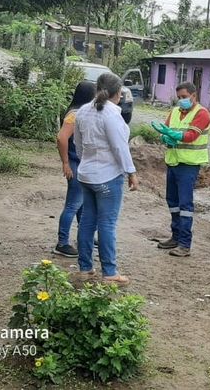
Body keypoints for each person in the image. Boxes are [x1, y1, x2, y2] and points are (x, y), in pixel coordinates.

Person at [73, 73, 139, 285]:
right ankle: (110, 272)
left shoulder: (83, 111)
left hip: (86, 175)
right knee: (107, 224)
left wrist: (86, 162)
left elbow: (78, 144)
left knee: (87, 222)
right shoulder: (111, 114)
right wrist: (131, 172)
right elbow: (120, 147)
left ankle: (85, 268)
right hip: (108, 176)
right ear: (118, 93)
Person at [151, 81, 210, 257]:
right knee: (173, 202)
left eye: (184, 97)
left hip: (189, 165)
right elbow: (165, 130)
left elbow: (191, 136)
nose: (181, 100)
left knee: (185, 205)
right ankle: (175, 237)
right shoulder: (175, 112)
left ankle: (185, 244)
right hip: (173, 162)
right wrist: (164, 137)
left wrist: (172, 134)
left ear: (194, 95)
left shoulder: (202, 113)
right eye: (179, 97)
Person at [53, 81, 96, 258]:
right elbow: (61, 138)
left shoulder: (79, 112)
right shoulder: (75, 115)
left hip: (80, 163)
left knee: (81, 204)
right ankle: (62, 243)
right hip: (75, 164)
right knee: (73, 204)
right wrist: (65, 163)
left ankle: (84, 236)